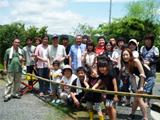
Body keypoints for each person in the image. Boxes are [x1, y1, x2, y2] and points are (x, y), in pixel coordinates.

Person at [121, 48, 155, 120]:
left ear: (130, 55)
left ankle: (145, 118)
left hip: (149, 79)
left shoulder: (135, 60)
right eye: (123, 55)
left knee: (140, 98)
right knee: (136, 97)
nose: (125, 57)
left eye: (127, 55)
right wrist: (136, 89)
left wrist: (141, 87)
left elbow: (142, 74)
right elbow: (132, 77)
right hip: (142, 79)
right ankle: (132, 114)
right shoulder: (126, 64)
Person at [140, 34, 159, 107]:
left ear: (152, 41)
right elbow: (140, 56)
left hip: (151, 69)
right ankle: (143, 101)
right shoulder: (142, 48)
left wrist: (150, 62)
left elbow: (158, 60)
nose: (147, 41)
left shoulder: (155, 49)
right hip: (143, 68)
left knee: (150, 85)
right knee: (143, 83)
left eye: (149, 40)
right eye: (146, 40)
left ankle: (147, 101)